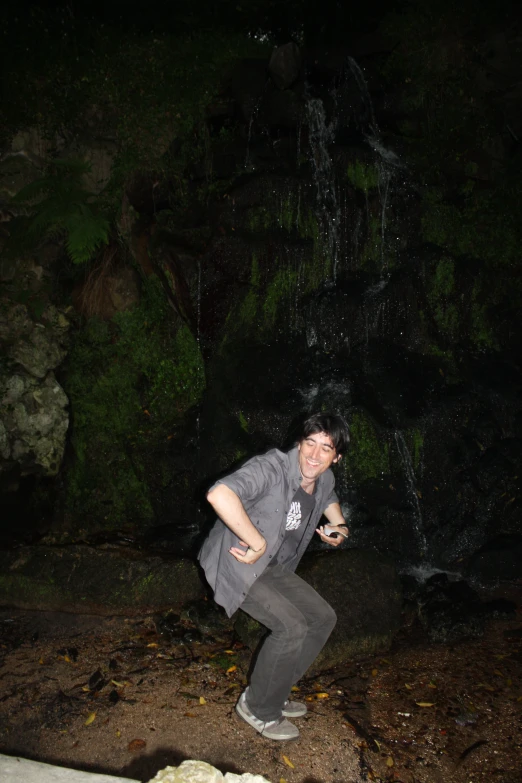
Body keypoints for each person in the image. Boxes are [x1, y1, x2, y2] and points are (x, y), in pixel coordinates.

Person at [198, 412, 350, 741]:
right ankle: (258, 708)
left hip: (274, 567)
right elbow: (219, 494)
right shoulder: (271, 468)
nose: (314, 455)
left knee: (323, 618)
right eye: (309, 443)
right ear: (299, 442)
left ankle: (274, 692)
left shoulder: (323, 479)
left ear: (336, 457)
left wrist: (340, 529)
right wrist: (257, 540)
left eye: (326, 449)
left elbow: (331, 501)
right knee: (291, 627)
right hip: (238, 562)